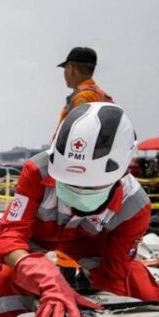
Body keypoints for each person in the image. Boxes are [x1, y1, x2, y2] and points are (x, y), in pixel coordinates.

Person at [0, 103, 159, 317]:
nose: (76, 192)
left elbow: (113, 273)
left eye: (89, 186)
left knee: (139, 293)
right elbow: (10, 238)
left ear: (121, 171)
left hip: (94, 255)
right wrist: (48, 280)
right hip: (37, 247)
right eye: (70, 184)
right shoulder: (37, 172)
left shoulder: (135, 207)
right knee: (6, 283)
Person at [55, 47, 113, 288]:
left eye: (65, 70)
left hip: (78, 175)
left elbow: (78, 138)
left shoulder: (83, 97)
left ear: (71, 68)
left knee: (70, 232)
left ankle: (69, 284)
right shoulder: (100, 94)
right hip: (94, 174)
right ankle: (84, 279)